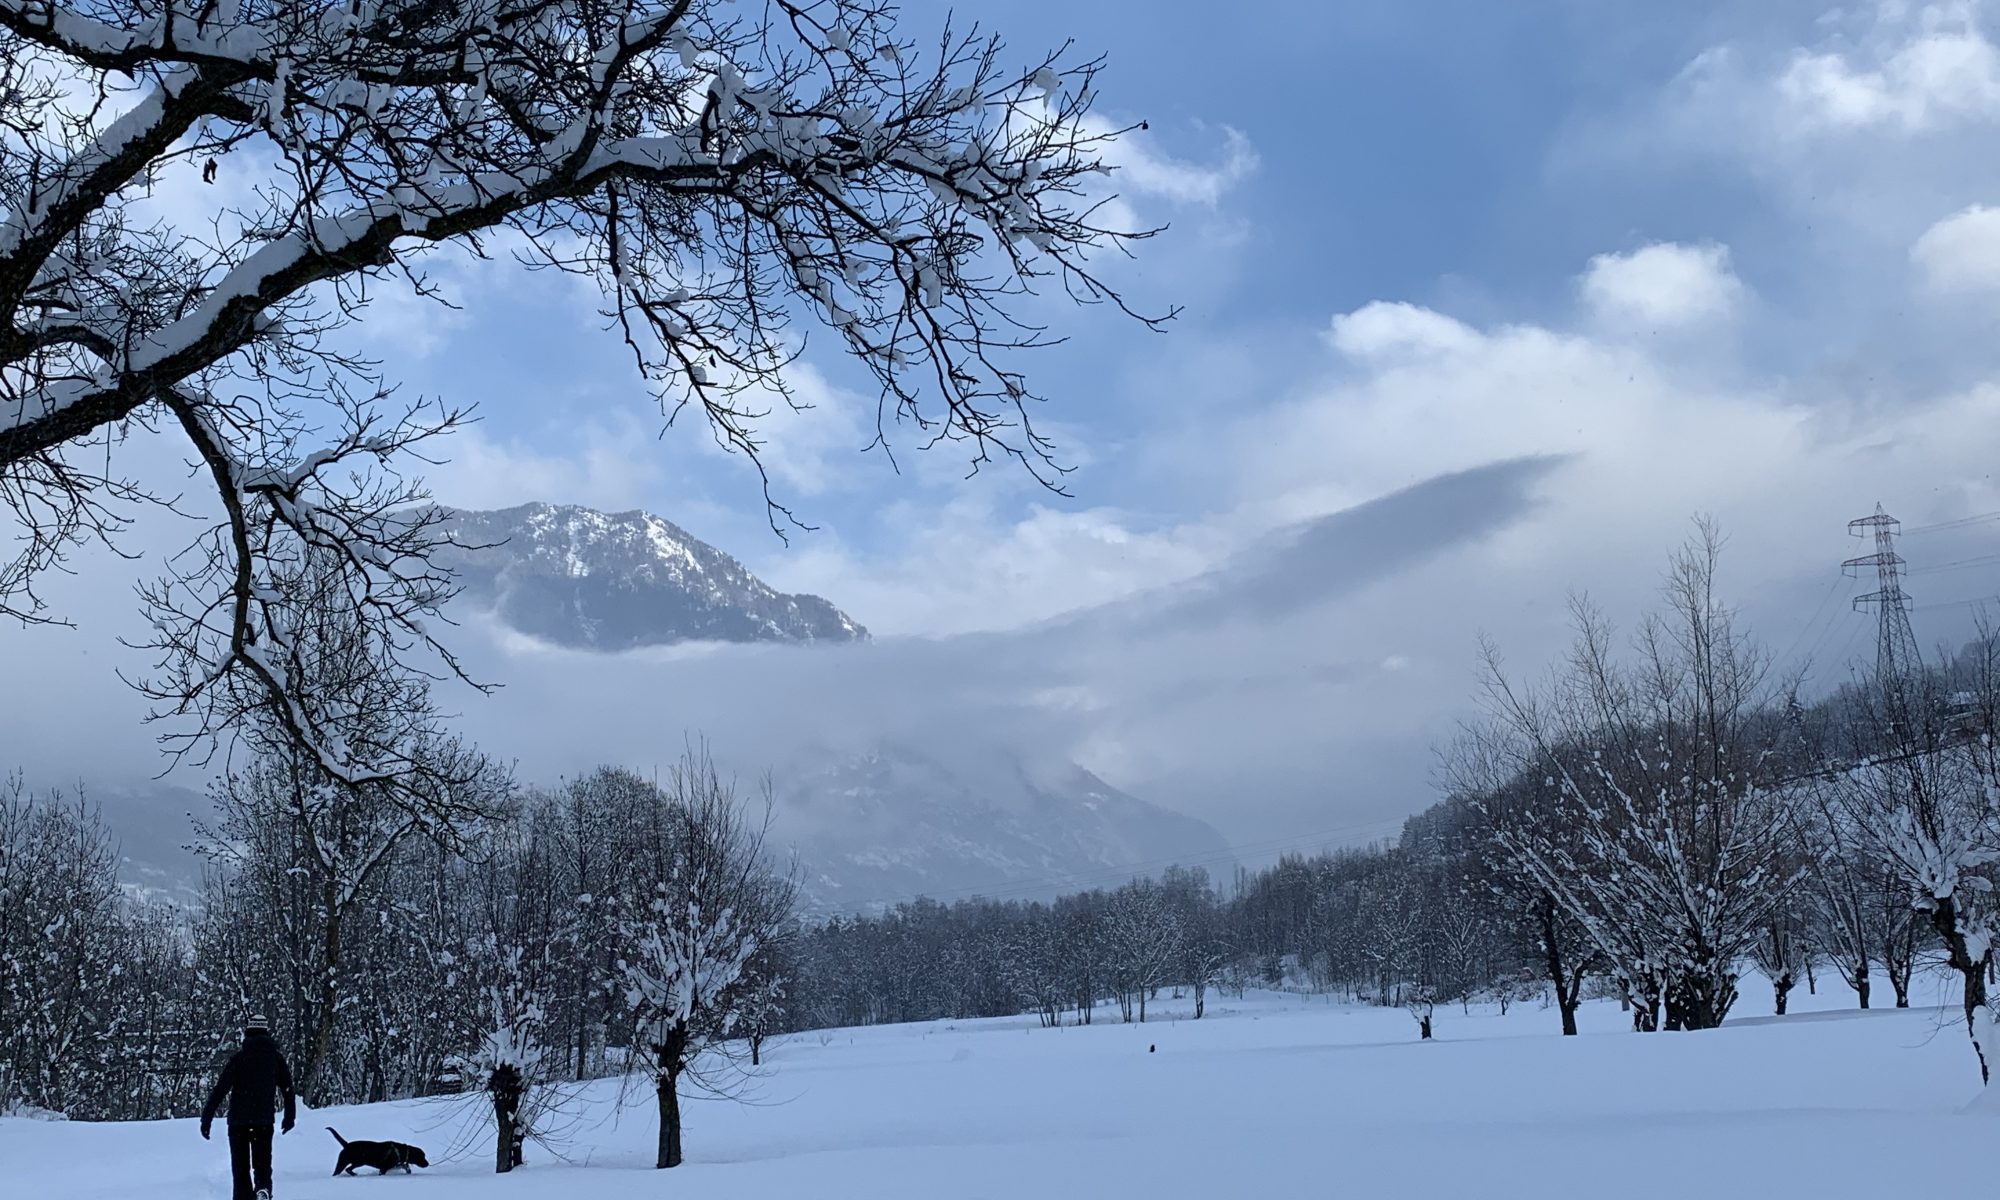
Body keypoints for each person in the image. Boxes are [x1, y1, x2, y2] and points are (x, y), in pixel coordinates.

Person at [200, 1014, 298, 1200]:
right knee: (262, 1163)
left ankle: (243, 1196)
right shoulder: (275, 1059)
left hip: (238, 1122)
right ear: (266, 1033)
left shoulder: (239, 1059)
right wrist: (289, 1116)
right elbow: (288, 1089)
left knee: (240, 1168)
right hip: (263, 1120)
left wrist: (207, 1118)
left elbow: (220, 1089)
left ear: (248, 1033)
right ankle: (263, 1189)